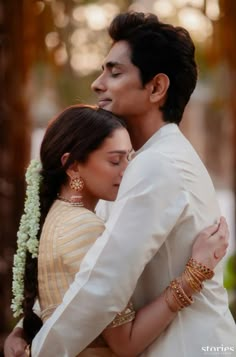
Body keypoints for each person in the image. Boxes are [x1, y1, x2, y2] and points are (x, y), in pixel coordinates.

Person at [5, 11, 236, 357]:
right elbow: (87, 266)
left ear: (156, 87)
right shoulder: (135, 164)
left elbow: (103, 283)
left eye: (114, 72)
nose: (98, 84)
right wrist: (29, 325)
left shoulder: (159, 165)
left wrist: (39, 350)